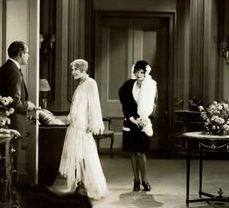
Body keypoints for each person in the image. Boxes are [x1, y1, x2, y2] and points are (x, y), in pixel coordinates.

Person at [59, 59, 109, 200]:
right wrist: (70, 116)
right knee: (76, 156)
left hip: (83, 126)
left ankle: (85, 186)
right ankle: (79, 185)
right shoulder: (80, 84)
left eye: (75, 69)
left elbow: (94, 104)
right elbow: (77, 105)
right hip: (75, 125)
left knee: (84, 156)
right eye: (72, 69)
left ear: (83, 69)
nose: (73, 72)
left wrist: (93, 123)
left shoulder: (90, 83)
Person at [0, 40, 36, 208]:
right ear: (20, 53)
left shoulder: (7, 69)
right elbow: (15, 102)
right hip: (13, 122)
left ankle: (9, 198)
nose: (28, 56)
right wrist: (29, 106)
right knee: (13, 161)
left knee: (10, 161)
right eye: (27, 52)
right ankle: (12, 200)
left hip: (9, 121)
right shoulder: (13, 72)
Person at [118, 60, 157, 192]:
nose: (139, 74)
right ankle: (136, 180)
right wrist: (133, 119)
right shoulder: (128, 85)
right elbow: (125, 105)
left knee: (141, 152)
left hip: (144, 122)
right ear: (134, 72)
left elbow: (154, 105)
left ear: (146, 73)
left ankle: (145, 180)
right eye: (137, 72)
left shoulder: (150, 86)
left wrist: (145, 119)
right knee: (133, 152)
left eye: (141, 72)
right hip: (130, 122)